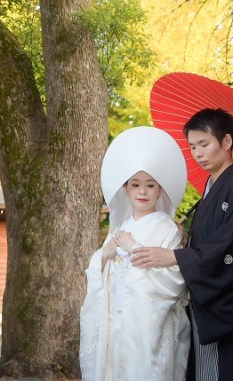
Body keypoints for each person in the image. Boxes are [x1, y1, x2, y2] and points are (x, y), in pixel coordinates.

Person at [131, 108, 233, 381]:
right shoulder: (210, 192)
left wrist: (177, 257)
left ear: (226, 143)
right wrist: (184, 239)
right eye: (192, 146)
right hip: (208, 307)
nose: (198, 153)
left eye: (204, 144)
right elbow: (211, 244)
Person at [80, 126, 190, 381]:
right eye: (136, 184)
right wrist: (105, 255)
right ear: (126, 189)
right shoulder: (120, 227)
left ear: (160, 190)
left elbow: (174, 281)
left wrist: (132, 249)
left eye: (150, 185)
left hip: (148, 325)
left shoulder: (166, 228)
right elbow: (98, 268)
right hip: (116, 318)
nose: (142, 192)